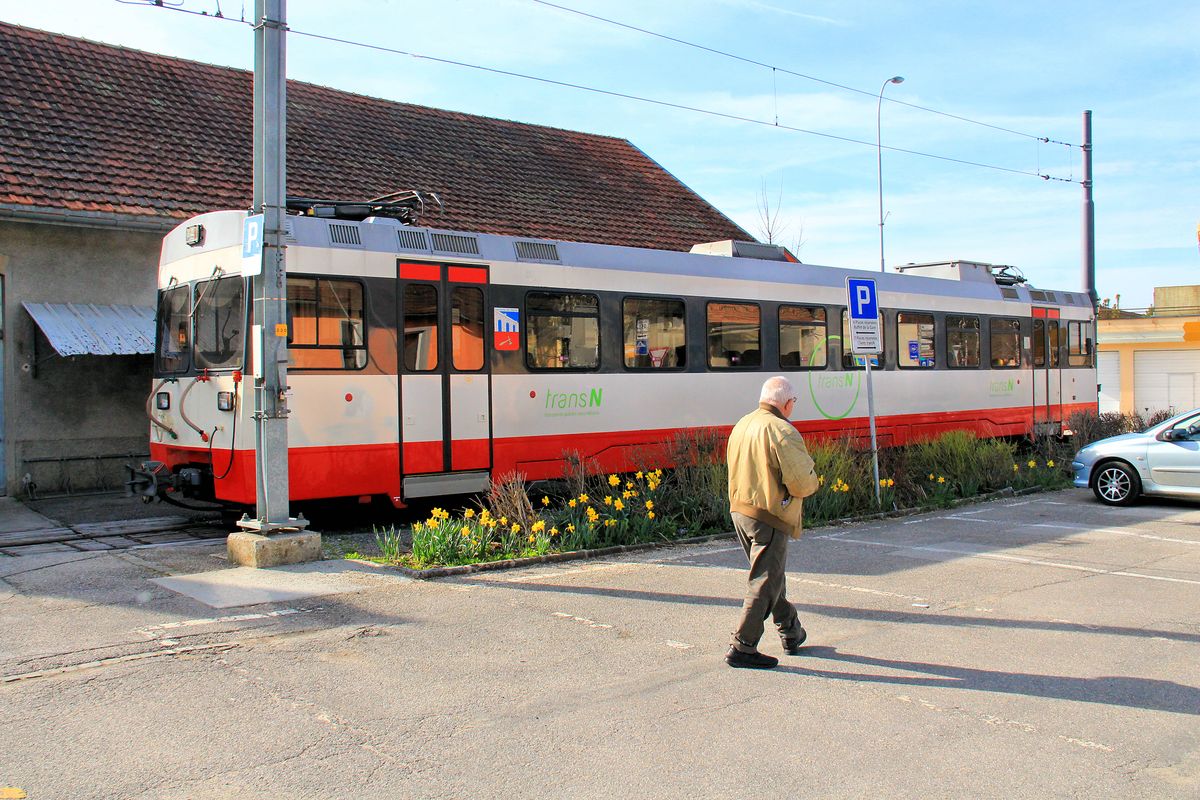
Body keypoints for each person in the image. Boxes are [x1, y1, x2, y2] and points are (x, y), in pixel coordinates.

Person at [724, 375, 819, 669]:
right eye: (794, 402)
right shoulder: (782, 430)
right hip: (769, 514)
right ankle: (743, 646)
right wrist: (814, 482)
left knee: (769, 575)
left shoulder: (743, 424)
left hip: (741, 510)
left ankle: (791, 631)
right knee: (764, 580)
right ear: (788, 403)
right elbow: (802, 483)